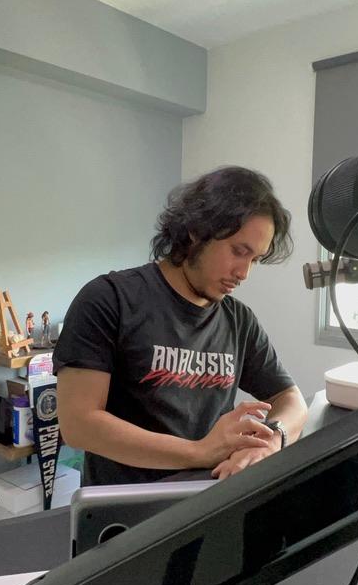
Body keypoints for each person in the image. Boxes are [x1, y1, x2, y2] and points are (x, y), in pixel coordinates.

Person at [54, 166, 307, 486]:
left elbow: (291, 398)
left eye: (255, 259)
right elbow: (79, 425)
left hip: (206, 503)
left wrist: (272, 441)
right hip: (124, 513)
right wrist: (199, 452)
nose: (244, 273)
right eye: (238, 251)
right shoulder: (109, 299)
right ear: (195, 231)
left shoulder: (238, 320)